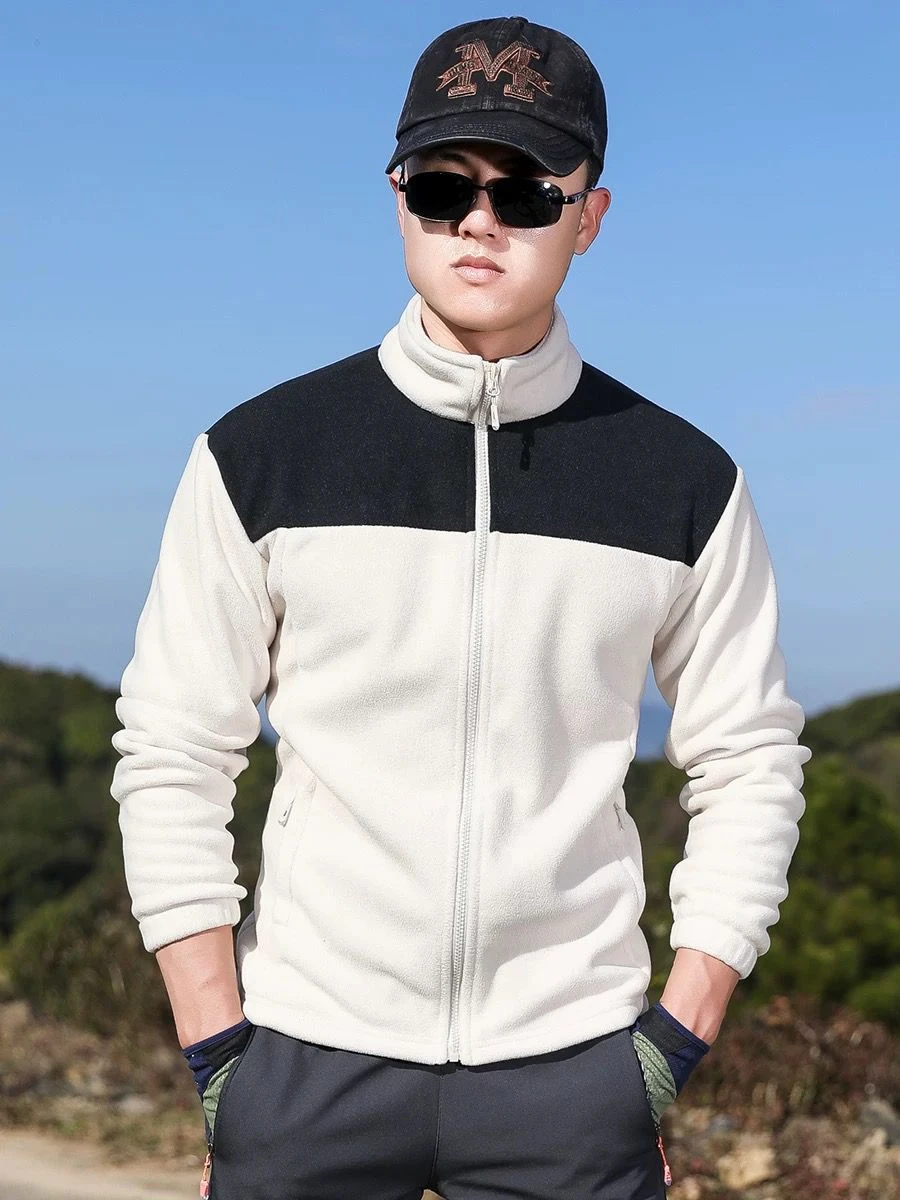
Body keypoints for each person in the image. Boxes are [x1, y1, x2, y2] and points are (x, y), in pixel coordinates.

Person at [110, 15, 811, 1200]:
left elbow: (748, 759)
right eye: (443, 186)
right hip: (303, 1062)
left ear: (589, 216)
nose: (479, 220)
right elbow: (174, 747)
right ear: (398, 201)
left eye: (525, 192)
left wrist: (671, 1042)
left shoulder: (684, 481)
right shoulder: (260, 454)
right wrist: (220, 1050)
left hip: (574, 1072)